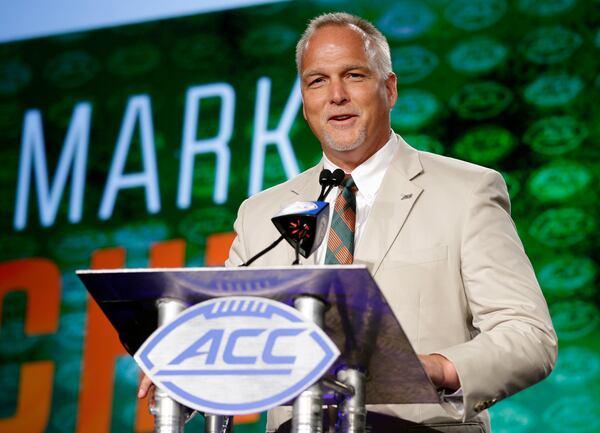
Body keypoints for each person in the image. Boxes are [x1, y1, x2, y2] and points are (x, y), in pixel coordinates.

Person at [223, 12, 557, 433]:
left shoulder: (467, 192)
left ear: (390, 88)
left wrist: (437, 368)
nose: (336, 95)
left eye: (354, 75)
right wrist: (182, 362)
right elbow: (227, 331)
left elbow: (529, 336)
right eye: (317, 81)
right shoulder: (260, 215)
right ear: (304, 100)